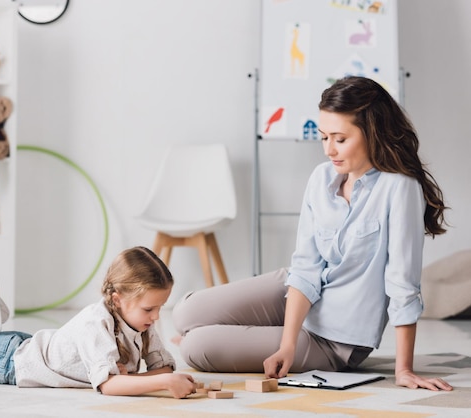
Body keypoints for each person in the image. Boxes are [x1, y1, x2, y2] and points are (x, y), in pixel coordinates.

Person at [172, 76, 453, 391]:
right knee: (185, 312)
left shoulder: (399, 187)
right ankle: (234, 335)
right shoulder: (321, 178)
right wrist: (287, 343)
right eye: (323, 137)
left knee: (195, 347)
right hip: (295, 293)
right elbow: (306, 266)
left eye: (340, 138)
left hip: (333, 339)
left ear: (372, 133)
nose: (328, 150)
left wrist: (404, 370)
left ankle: (211, 339)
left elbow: (402, 283)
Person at [0, 247, 197, 399]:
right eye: (149, 309)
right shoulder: (95, 323)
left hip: (18, 347)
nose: (157, 317)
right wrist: (162, 383)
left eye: (160, 308)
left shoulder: (142, 322)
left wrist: (160, 377)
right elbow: (110, 386)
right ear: (117, 299)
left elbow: (162, 368)